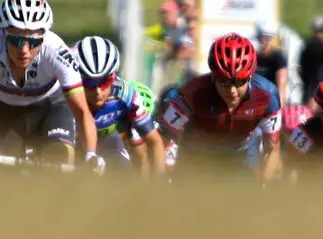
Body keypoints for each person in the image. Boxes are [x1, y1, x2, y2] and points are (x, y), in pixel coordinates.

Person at [0, 0, 99, 171]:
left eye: (33, 42)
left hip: (51, 108)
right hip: (4, 111)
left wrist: (91, 154)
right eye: (16, 40)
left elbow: (82, 113)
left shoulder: (57, 51)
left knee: (58, 158)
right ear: (3, 33)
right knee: (4, 174)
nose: (24, 50)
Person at [160, 33, 282, 180]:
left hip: (236, 163)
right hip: (196, 163)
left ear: (250, 76)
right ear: (213, 76)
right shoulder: (191, 94)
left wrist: (264, 188)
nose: (232, 90)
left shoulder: (267, 95)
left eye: (239, 81)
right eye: (223, 81)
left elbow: (272, 149)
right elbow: (162, 139)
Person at [74, 35, 166, 176]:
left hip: (107, 140)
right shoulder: (66, 94)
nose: (98, 91)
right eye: (90, 84)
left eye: (104, 82)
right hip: (74, 141)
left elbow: (155, 142)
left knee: (126, 175)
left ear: (113, 77)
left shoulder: (125, 94)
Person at [254, 21, 289, 104]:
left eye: (268, 38)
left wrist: (280, 103)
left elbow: (281, 86)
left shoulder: (278, 57)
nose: (264, 41)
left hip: (271, 99)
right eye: (262, 38)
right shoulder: (255, 56)